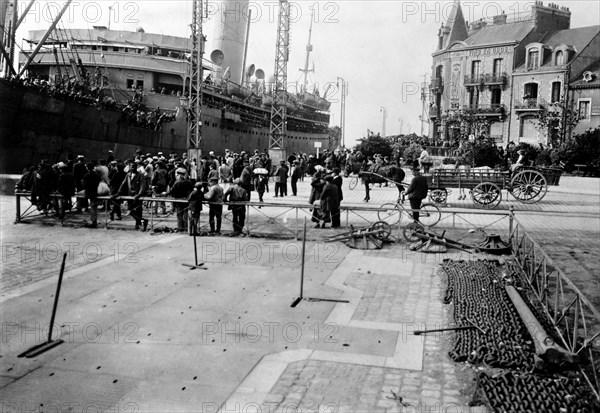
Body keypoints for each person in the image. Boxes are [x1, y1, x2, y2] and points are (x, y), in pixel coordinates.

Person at [117, 160, 148, 230]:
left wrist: (139, 194)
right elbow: (123, 183)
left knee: (138, 210)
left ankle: (138, 224)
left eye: (134, 167)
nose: (132, 168)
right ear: (129, 167)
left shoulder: (140, 175)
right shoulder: (128, 175)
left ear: (136, 167)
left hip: (137, 195)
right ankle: (142, 221)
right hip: (130, 195)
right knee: (130, 210)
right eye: (131, 167)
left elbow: (143, 186)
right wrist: (119, 192)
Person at [167, 168, 194, 232]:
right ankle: (186, 228)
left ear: (179, 175)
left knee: (179, 214)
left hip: (178, 201)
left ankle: (180, 228)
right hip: (186, 201)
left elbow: (171, 191)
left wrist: (165, 193)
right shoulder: (188, 182)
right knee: (185, 214)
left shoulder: (177, 183)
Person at [83, 162, 101, 228]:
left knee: (92, 207)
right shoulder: (96, 174)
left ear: (87, 168)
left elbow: (84, 185)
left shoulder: (86, 175)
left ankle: (94, 221)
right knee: (94, 207)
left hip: (89, 192)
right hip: (95, 192)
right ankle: (94, 220)